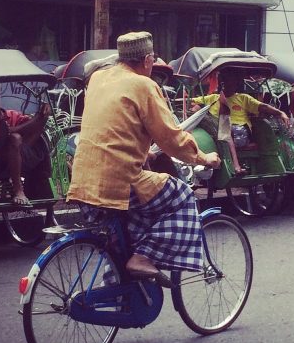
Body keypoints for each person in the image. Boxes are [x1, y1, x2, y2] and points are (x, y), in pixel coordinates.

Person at [67, 32, 221, 284]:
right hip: (119, 183)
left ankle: (119, 283)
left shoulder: (98, 78)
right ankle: (143, 258)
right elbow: (171, 139)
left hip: (83, 182)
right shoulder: (144, 85)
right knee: (182, 197)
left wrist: (143, 152)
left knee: (128, 233)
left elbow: (114, 127)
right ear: (148, 60)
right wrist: (204, 158)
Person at [191, 69, 289, 173]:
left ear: (236, 84)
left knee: (228, 131)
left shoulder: (243, 98)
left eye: (232, 82)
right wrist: (193, 105)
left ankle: (236, 166)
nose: (229, 85)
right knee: (221, 130)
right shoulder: (213, 98)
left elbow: (263, 106)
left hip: (239, 132)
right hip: (217, 134)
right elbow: (191, 101)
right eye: (226, 82)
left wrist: (280, 113)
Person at [0, 84, 51, 207]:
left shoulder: (12, 115)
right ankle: (18, 191)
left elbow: (32, 127)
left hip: (17, 154)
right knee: (14, 138)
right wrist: (0, 141)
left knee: (32, 137)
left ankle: (41, 185)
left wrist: (42, 116)